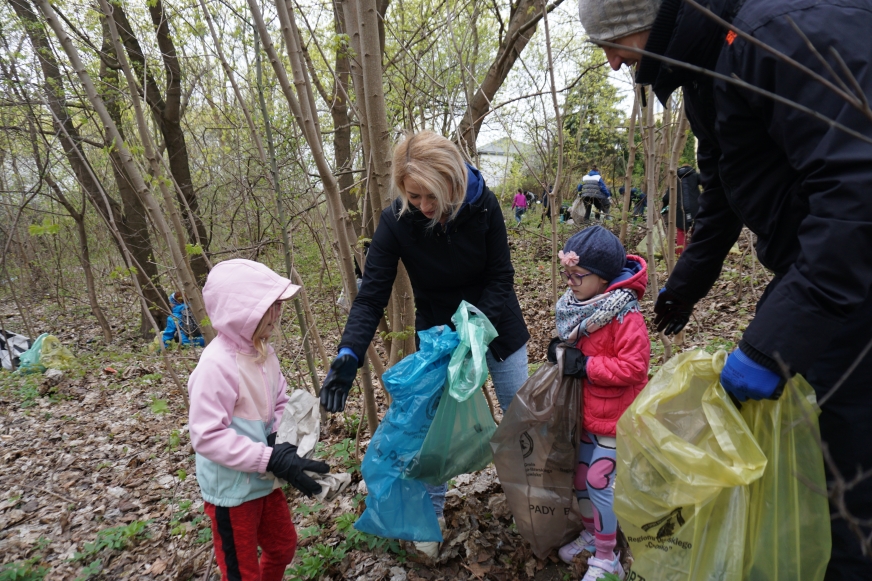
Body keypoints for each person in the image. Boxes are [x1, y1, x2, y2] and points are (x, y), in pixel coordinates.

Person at [579, 0, 872, 576]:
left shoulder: (773, 35)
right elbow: (723, 190)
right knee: (826, 449)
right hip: (825, 274)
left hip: (848, 276)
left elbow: (856, 198)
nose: (612, 63)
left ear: (652, 18)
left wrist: (770, 343)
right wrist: (683, 288)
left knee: (853, 466)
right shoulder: (709, 65)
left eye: (612, 43)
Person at [319, 130, 530, 557]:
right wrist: (349, 352)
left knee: (521, 419)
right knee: (433, 429)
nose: (425, 206)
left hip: (496, 326)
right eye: (414, 196)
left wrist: (475, 329)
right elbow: (372, 292)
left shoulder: (483, 204)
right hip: (438, 336)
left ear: (451, 179)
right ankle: (429, 519)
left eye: (431, 195)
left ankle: (535, 502)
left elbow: (501, 277)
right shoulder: (398, 220)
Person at [188, 259, 331, 580]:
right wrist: (268, 457)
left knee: (283, 546)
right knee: (241, 572)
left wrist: (284, 444)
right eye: (271, 305)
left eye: (280, 305)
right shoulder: (216, 366)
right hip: (232, 491)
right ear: (242, 311)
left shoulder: (263, 353)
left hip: (263, 480)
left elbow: (279, 401)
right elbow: (207, 436)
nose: (279, 313)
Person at [547, 226, 649, 580]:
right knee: (580, 478)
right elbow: (577, 347)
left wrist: (586, 366)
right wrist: (561, 353)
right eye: (567, 275)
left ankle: (608, 559)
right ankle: (594, 534)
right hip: (588, 413)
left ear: (603, 277)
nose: (570, 283)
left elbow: (635, 368)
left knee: (599, 480)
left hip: (616, 416)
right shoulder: (582, 308)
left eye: (578, 275)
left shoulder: (624, 314)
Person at [660, 165, 701, 255]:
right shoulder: (695, 175)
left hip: (679, 210)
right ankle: (697, 252)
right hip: (696, 208)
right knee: (697, 229)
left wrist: (664, 207)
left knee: (681, 231)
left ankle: (680, 254)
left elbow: (666, 197)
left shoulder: (675, 179)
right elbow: (707, 182)